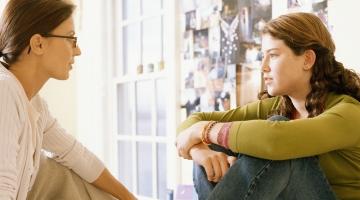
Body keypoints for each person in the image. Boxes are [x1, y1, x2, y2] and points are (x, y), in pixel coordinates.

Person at [176, 12, 360, 200]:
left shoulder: (349, 113)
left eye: (272, 55)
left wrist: (204, 130)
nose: (263, 66)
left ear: (307, 59)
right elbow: (192, 123)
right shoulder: (277, 106)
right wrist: (200, 151)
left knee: (276, 140)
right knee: (215, 145)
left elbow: (276, 139)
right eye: (262, 56)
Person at [0, 0, 136, 199]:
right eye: (70, 38)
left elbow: (77, 155)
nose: (77, 50)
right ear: (38, 43)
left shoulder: (34, 104)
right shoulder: (5, 90)